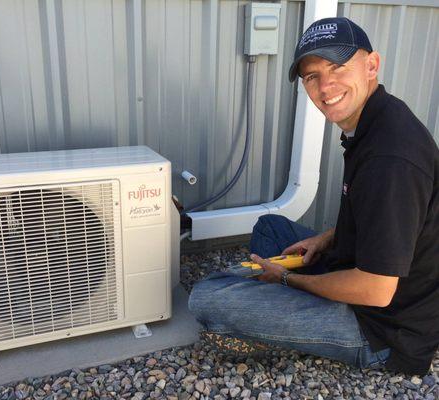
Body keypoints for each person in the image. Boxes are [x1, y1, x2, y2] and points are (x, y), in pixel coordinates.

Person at [188, 17, 438, 375]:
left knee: (207, 296)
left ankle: (271, 321)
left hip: (383, 330)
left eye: (337, 66)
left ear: (372, 65)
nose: (325, 85)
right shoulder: (376, 119)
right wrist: (325, 239)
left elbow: (377, 289)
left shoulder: (390, 158)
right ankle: (275, 313)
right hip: (358, 269)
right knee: (271, 227)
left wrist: (288, 280)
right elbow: (383, 220)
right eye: (311, 76)